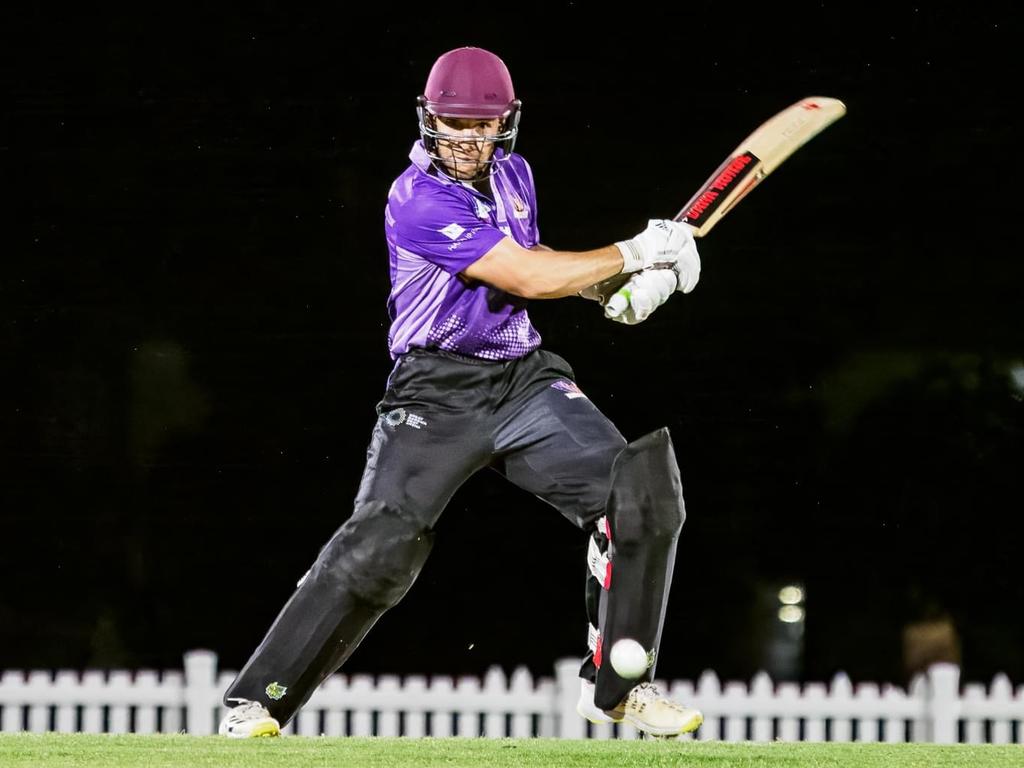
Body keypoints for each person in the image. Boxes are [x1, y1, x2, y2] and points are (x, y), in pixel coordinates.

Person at [218, 46, 703, 739]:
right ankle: (261, 700)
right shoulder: (415, 198)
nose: (468, 140)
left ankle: (621, 689)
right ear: (428, 118)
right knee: (382, 544)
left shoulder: (515, 175)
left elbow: (534, 268)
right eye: (453, 124)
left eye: (483, 125)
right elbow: (525, 278)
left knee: (642, 493)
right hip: (435, 391)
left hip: (522, 378)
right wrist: (637, 251)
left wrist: (620, 291)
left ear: (505, 121)